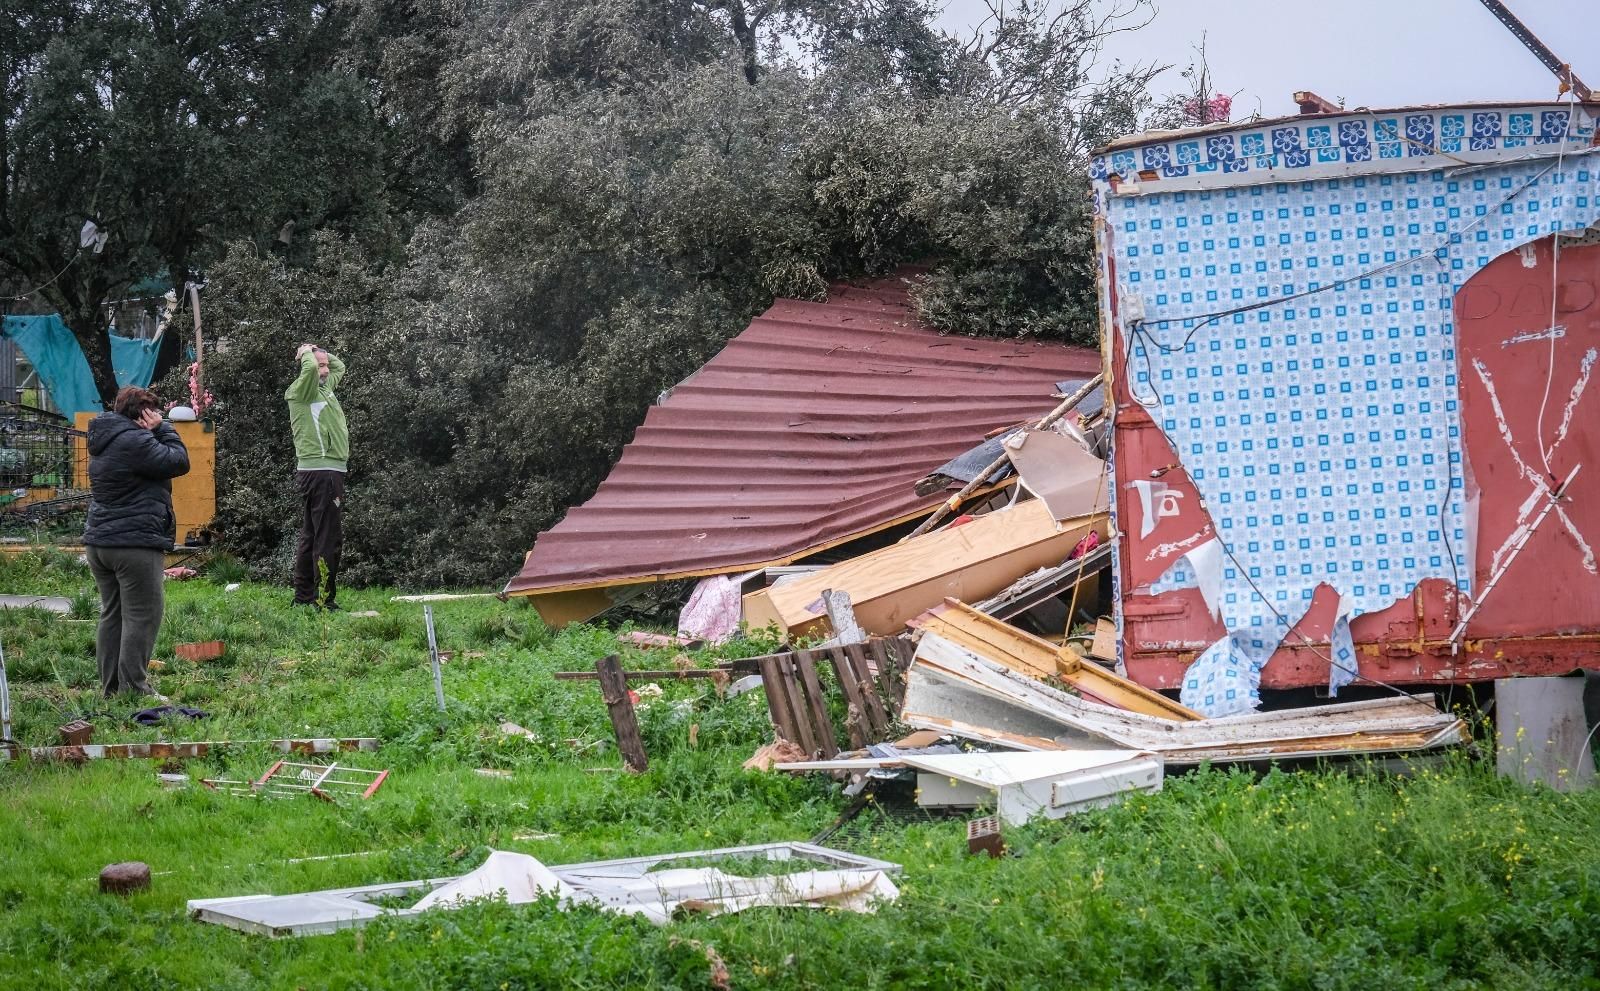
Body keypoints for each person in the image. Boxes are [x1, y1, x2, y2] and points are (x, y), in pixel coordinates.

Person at [84, 387, 190, 698]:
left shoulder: (106, 439)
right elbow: (179, 461)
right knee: (142, 614)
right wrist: (164, 428)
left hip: (100, 542)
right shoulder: (136, 439)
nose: (158, 416)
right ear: (144, 414)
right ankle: (134, 688)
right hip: (133, 545)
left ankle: (111, 688)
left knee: (113, 613)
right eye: (154, 412)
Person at [286, 342, 348, 609]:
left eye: (325, 365)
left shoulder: (324, 390)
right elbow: (311, 368)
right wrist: (306, 353)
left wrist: (320, 355)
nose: (324, 370)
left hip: (326, 470)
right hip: (322, 472)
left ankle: (304, 598)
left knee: (312, 535)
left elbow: (339, 366)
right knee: (328, 538)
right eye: (319, 365)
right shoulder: (305, 390)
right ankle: (324, 601)